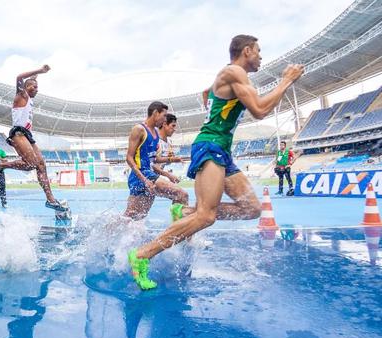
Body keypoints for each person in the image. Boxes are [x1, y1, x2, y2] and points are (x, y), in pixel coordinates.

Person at [127, 34, 304, 290]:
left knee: (251, 209)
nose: (261, 56)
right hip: (210, 146)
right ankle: (142, 255)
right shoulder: (234, 71)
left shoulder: (231, 76)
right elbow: (259, 110)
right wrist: (286, 80)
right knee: (207, 216)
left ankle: (185, 213)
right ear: (246, 51)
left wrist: (212, 101)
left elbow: (207, 93)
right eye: (258, 51)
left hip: (221, 149)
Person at [0, 65, 68, 212]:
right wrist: (39, 71)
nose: (37, 89)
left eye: (37, 87)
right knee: (31, 164)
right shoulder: (22, 95)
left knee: (41, 165)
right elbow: (19, 77)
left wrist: (37, 77)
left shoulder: (28, 98)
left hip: (28, 136)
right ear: (27, 87)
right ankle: (2, 165)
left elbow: (30, 80)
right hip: (18, 133)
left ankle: (50, 200)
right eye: (34, 87)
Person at [123, 105, 188, 220]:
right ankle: (178, 233)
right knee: (182, 195)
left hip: (147, 176)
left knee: (133, 218)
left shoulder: (156, 134)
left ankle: (102, 231)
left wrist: (172, 159)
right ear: (155, 113)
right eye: (163, 116)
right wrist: (144, 179)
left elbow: (154, 159)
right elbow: (129, 158)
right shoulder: (139, 129)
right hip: (141, 175)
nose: (164, 120)